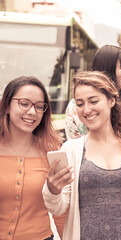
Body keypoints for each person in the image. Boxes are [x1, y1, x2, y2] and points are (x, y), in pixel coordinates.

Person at [42, 71, 121, 240]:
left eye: (93, 101)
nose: (86, 110)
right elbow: (58, 207)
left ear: (111, 101)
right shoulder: (71, 149)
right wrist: (52, 190)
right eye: (79, 103)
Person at [0, 76, 65, 239]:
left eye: (39, 107)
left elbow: (61, 212)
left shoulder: (52, 153)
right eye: (24, 103)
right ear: (7, 106)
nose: (31, 112)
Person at [65, 45, 121, 139]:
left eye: (94, 101)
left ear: (112, 102)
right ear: (108, 69)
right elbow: (73, 146)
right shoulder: (74, 108)